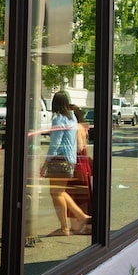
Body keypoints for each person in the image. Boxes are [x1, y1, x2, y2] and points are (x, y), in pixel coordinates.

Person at [41, 91, 91, 236]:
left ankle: (64, 228)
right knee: (61, 192)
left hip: (59, 159)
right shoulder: (72, 117)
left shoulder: (59, 119)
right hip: (70, 159)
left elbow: (55, 144)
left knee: (55, 193)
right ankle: (81, 216)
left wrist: (45, 164)